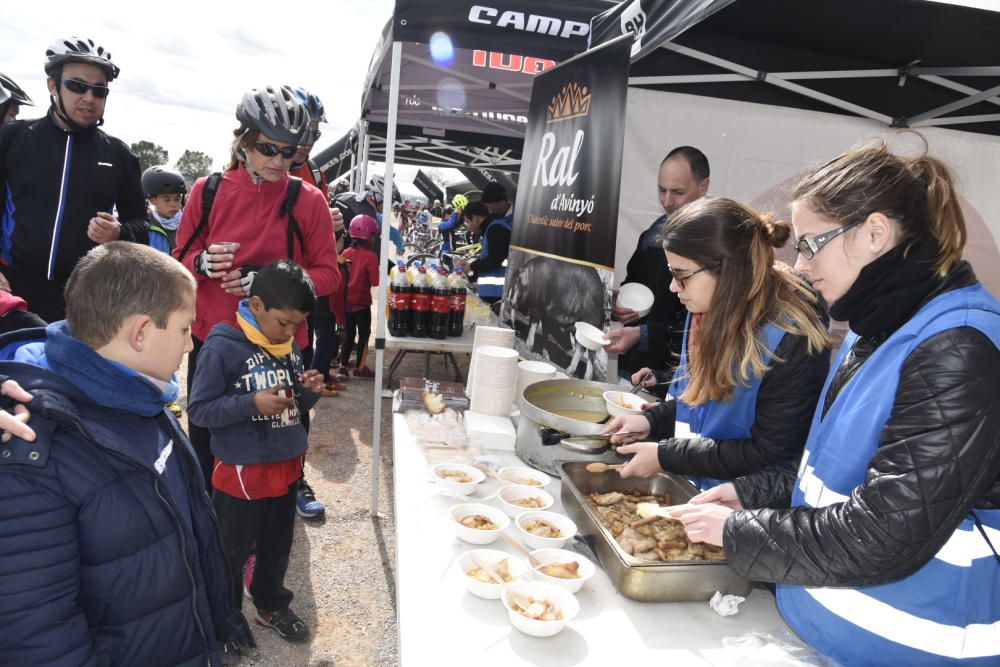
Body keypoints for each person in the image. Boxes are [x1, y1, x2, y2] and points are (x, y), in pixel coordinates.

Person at [669, 142, 1000, 666]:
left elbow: (885, 533)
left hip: (909, 652)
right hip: (816, 631)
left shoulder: (957, 348)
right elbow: (826, 477)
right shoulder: (876, 329)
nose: (799, 266)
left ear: (874, 233)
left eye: (809, 245)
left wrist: (739, 531)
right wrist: (749, 493)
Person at [0, 242, 253, 665]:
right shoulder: (29, 453)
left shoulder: (140, 392)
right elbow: (36, 634)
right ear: (140, 333)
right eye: (184, 329)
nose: (190, 345)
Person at [173, 85, 340, 514]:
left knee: (282, 435)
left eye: (291, 154)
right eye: (268, 148)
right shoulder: (207, 191)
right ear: (243, 139)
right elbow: (179, 260)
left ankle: (287, 495)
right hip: (216, 340)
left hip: (281, 346)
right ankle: (210, 517)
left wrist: (267, 282)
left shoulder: (309, 200)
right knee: (209, 436)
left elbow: (328, 275)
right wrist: (204, 263)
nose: (279, 162)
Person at [603, 198, 831, 490]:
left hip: (737, 509)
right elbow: (701, 404)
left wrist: (666, 455)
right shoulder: (703, 310)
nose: (673, 288)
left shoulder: (793, 338)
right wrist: (652, 421)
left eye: (681, 276)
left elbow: (771, 452)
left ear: (727, 271)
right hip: (693, 489)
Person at [188, 260, 324, 645]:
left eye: (297, 325)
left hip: (285, 466)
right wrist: (251, 403)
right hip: (241, 474)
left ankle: (270, 604)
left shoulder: (287, 343)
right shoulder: (222, 345)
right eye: (284, 322)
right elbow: (199, 410)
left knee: (277, 545)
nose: (291, 332)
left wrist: (308, 391)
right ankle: (225, 620)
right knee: (229, 553)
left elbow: (294, 405)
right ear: (258, 305)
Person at [0, 37, 149, 323]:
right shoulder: (13, 138)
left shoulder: (119, 154)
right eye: (77, 86)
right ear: (53, 85)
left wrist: (119, 233)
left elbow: (142, 227)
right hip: (12, 289)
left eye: (99, 91)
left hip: (81, 298)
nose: (89, 98)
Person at [605, 146, 710, 381]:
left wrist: (644, 333)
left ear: (703, 187)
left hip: (680, 376)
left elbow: (703, 323)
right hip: (635, 368)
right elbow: (634, 283)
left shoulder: (714, 242)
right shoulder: (652, 235)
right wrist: (619, 303)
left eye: (678, 192)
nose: (667, 201)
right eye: (662, 190)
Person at [339, 215, 380, 378]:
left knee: (348, 333)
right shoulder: (371, 257)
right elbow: (375, 282)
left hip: (345, 301)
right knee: (364, 333)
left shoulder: (346, 252)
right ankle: (360, 367)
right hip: (361, 303)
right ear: (370, 236)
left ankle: (342, 365)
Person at [313, 213, 350, 395]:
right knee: (324, 345)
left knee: (327, 345)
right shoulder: (332, 263)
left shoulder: (331, 260)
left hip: (323, 310)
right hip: (324, 310)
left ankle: (325, 376)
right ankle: (318, 381)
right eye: (342, 239)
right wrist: (340, 318)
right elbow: (334, 294)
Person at [460, 199, 510, 304]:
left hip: (499, 296)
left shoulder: (496, 228)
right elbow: (488, 257)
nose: (468, 227)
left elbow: (495, 259)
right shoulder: (491, 228)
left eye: (468, 222)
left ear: (475, 218)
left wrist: (471, 266)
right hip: (494, 293)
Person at [142, 165, 188, 253]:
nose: (173, 204)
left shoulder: (188, 223)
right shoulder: (145, 227)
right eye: (167, 200)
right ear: (152, 200)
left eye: (177, 199)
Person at [438, 193, 467, 257]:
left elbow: (458, 223)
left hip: (451, 249)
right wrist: (455, 212)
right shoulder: (442, 224)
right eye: (450, 214)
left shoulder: (447, 223)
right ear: (446, 215)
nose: (452, 216)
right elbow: (452, 224)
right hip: (446, 251)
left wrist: (460, 215)